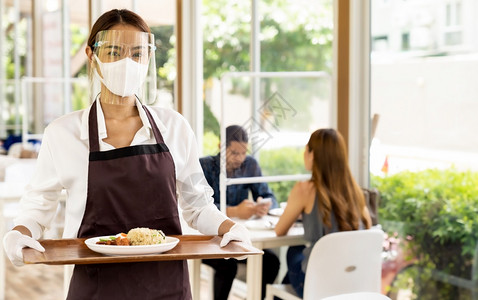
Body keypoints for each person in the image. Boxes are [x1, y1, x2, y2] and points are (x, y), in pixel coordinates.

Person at [2, 9, 250, 300]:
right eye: (114, 51)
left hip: (167, 285)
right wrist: (19, 232)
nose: (127, 63)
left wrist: (229, 227)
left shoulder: (174, 127)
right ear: (92, 56)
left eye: (137, 53)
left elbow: (197, 204)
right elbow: (39, 204)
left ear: (148, 59)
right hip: (96, 286)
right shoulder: (63, 133)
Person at [274, 128, 372, 298]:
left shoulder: (304, 189)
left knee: (294, 250)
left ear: (312, 154)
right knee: (290, 274)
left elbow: (279, 230)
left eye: (306, 149)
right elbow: (368, 230)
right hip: (352, 283)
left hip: (318, 284)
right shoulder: (355, 192)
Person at [200, 125, 280, 300]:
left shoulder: (250, 165)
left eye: (243, 153)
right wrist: (235, 211)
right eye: (234, 153)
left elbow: (270, 197)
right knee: (228, 266)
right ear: (221, 146)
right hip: (209, 239)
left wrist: (263, 204)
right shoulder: (204, 166)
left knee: (271, 262)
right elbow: (200, 208)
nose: (240, 158)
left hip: (238, 238)